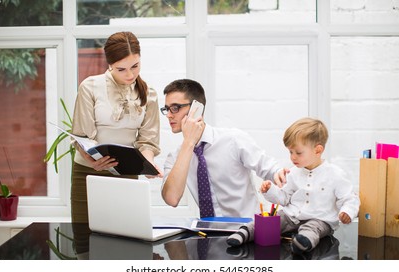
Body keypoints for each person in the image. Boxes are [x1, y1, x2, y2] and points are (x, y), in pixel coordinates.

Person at [160, 79, 288, 218]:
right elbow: (171, 199)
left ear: (197, 109)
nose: (169, 115)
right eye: (167, 109)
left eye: (175, 108)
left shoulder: (233, 140)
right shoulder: (175, 157)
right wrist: (189, 143)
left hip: (246, 232)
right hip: (207, 235)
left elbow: (270, 169)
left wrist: (278, 173)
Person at [70, 31, 161, 223]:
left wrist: (148, 163)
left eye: (135, 66)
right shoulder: (90, 86)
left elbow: (148, 140)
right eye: (121, 69)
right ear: (110, 65)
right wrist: (92, 159)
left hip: (126, 174)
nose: (130, 74)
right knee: (84, 237)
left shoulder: (149, 94)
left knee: (125, 237)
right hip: (88, 172)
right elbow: (81, 135)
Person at [259, 117, 360, 254]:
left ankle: (302, 243)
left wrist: (347, 212)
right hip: (292, 216)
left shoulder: (335, 174)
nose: (293, 157)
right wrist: (270, 190)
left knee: (313, 229)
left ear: (318, 150)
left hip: (319, 220)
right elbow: (284, 198)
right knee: (271, 221)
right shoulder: (293, 172)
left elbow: (350, 199)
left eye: (298, 153)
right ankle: (246, 232)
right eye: (290, 152)